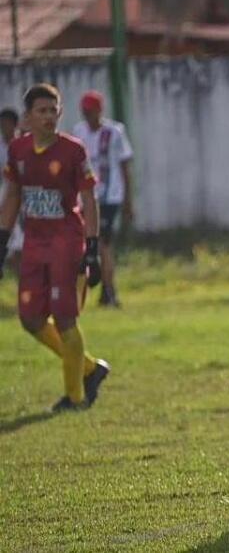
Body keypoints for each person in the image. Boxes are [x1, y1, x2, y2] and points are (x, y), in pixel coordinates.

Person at [0, 83, 110, 412]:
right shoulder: (17, 151)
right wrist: (2, 239)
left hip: (67, 242)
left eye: (53, 110)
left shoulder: (73, 151)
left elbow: (89, 200)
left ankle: (75, 398)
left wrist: (91, 247)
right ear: (28, 117)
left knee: (65, 320)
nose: (49, 116)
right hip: (34, 242)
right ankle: (90, 369)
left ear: (60, 113)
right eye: (41, 111)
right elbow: (14, 196)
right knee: (31, 320)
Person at [73, 91, 134, 307]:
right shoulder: (79, 131)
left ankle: (109, 291)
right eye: (84, 112)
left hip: (109, 196)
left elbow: (125, 166)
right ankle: (92, 289)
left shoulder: (115, 132)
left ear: (99, 111)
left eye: (90, 112)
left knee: (103, 244)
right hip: (87, 197)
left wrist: (128, 201)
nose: (87, 116)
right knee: (86, 244)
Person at [0, 108, 24, 270]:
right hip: (5, 194)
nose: (4, 128)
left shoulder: (23, 145)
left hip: (25, 196)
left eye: (7, 124)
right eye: (2, 124)